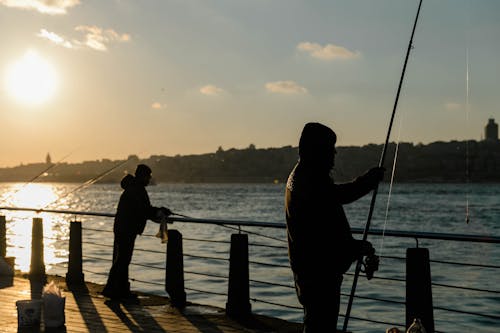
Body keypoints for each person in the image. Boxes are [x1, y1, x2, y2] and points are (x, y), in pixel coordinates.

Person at [285, 122, 385, 332]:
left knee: (317, 323)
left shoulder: (304, 177)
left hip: (312, 271)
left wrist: (353, 248)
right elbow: (337, 199)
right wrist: (368, 181)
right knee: (320, 325)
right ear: (316, 151)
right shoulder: (308, 180)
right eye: (329, 149)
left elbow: (325, 221)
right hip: (318, 275)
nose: (334, 154)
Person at [102, 164, 172, 302]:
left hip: (123, 228)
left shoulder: (133, 188)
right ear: (142, 176)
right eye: (149, 176)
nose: (149, 179)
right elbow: (143, 210)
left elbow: (143, 209)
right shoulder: (137, 189)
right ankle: (113, 290)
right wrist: (159, 212)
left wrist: (157, 211)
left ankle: (118, 290)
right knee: (123, 261)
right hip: (127, 229)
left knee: (121, 260)